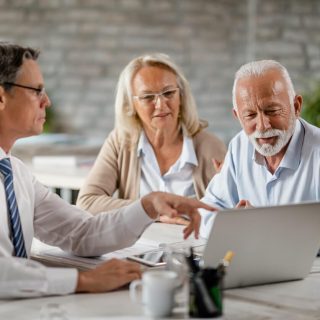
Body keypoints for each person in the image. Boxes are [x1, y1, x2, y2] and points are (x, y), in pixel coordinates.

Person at [0, 42, 215, 299]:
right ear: (1, 97)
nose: (47, 101)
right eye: (37, 90)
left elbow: (83, 233)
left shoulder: (17, 174)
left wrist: (149, 206)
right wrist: (83, 280)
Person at [76, 53, 226, 224]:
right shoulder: (121, 141)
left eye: (168, 93)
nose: (161, 105)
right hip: (139, 247)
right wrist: (153, 209)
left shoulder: (210, 146)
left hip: (194, 247)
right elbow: (87, 202)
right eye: (147, 97)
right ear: (130, 105)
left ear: (181, 97)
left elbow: (228, 210)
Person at [199, 59, 320, 237]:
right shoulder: (239, 146)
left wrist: (263, 226)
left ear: (296, 106)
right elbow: (205, 213)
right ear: (237, 116)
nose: (263, 126)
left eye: (272, 111)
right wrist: (232, 222)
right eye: (250, 115)